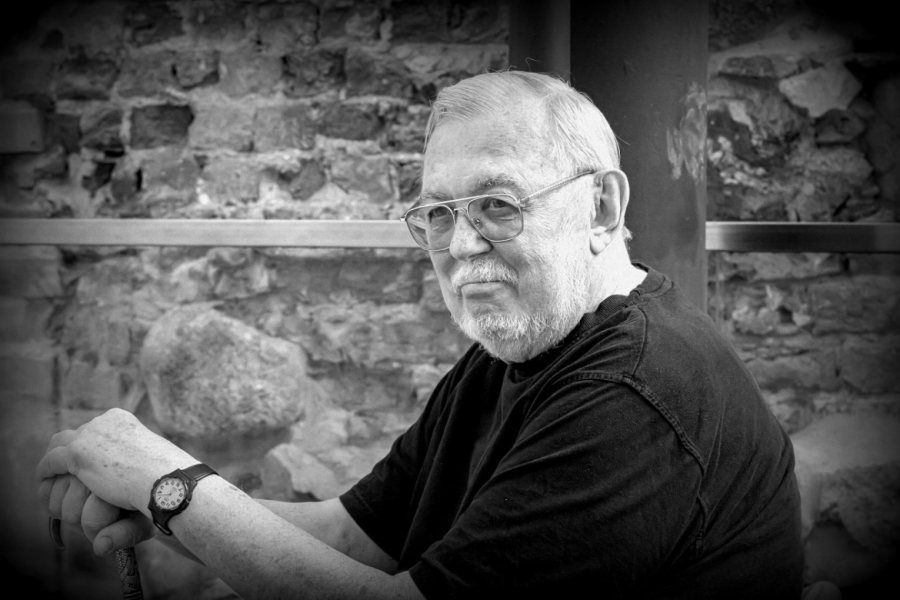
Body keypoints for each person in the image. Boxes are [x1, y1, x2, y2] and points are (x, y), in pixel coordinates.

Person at [37, 70, 804, 599]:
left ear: (602, 208)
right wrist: (161, 507)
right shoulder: (518, 352)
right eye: (438, 214)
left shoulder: (636, 390)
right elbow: (348, 536)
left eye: (498, 204)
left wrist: (170, 485)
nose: (461, 245)